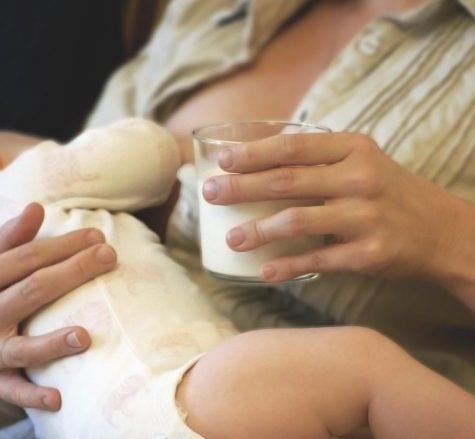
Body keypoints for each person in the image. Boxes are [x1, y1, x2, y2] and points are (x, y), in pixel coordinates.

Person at [0, 0, 474, 436]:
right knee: (363, 363)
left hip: (196, 403)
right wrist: (19, 347)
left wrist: (450, 238)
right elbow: (85, 165)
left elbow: (75, 165)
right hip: (125, 409)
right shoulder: (210, 11)